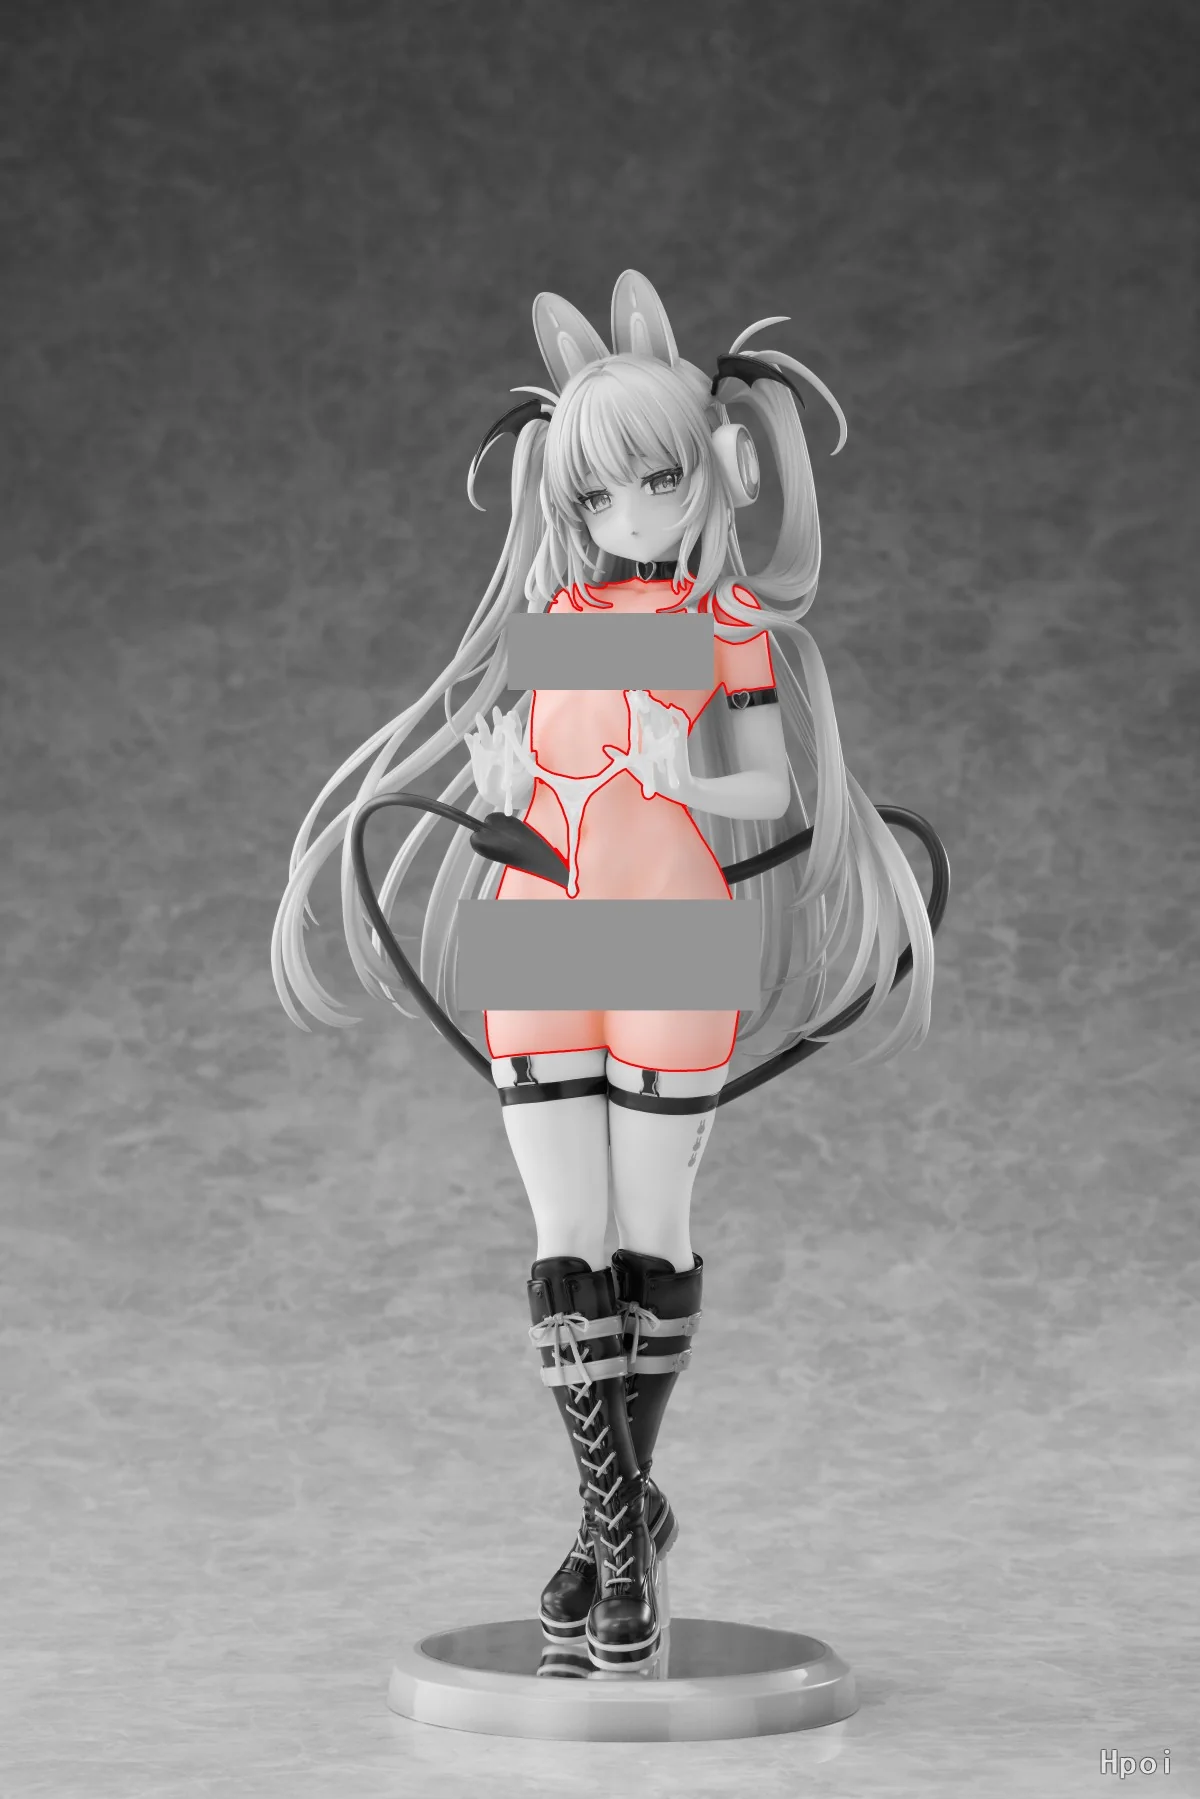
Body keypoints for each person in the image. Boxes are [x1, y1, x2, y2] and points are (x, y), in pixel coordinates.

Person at [272, 271, 935, 1675]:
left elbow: (764, 789)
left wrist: (680, 770)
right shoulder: (552, 615)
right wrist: (505, 779)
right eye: (596, 489)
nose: (627, 509)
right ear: (565, 498)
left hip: (674, 930)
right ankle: (626, 1527)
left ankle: (608, 1535)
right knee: (565, 1236)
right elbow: (527, 759)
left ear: (714, 469)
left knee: (649, 1233)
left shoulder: (729, 628)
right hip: (541, 924)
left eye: (656, 478)